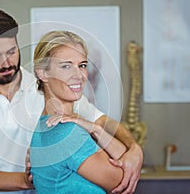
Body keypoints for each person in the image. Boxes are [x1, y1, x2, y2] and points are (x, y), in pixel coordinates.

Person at [0, 8, 143, 194]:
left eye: (11, 52)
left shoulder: (52, 87)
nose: (6, 63)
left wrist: (135, 149)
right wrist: (32, 178)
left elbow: (103, 122)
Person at [30, 30, 128, 193]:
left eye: (82, 65)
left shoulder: (44, 126)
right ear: (43, 73)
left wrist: (95, 128)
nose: (79, 75)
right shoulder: (67, 132)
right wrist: (95, 130)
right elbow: (124, 177)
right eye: (66, 66)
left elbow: (125, 160)